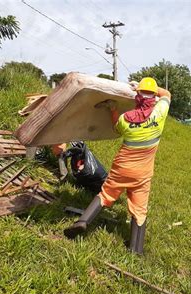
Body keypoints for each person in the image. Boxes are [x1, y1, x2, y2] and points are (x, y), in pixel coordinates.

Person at [64, 77, 171, 255]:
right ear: (153, 98)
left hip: (122, 167)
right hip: (143, 173)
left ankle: (82, 222)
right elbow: (166, 94)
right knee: (139, 208)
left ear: (137, 97)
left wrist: (113, 108)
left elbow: (115, 128)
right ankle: (136, 249)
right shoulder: (159, 114)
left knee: (106, 194)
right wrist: (148, 89)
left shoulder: (125, 119)